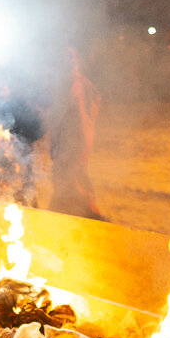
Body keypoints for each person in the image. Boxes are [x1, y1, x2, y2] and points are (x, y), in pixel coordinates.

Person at [48, 47, 105, 220]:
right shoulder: (78, 84)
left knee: (71, 188)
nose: (70, 62)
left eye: (71, 58)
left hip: (72, 147)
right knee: (70, 185)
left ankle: (93, 220)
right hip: (74, 146)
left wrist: (73, 146)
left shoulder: (77, 86)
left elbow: (78, 118)